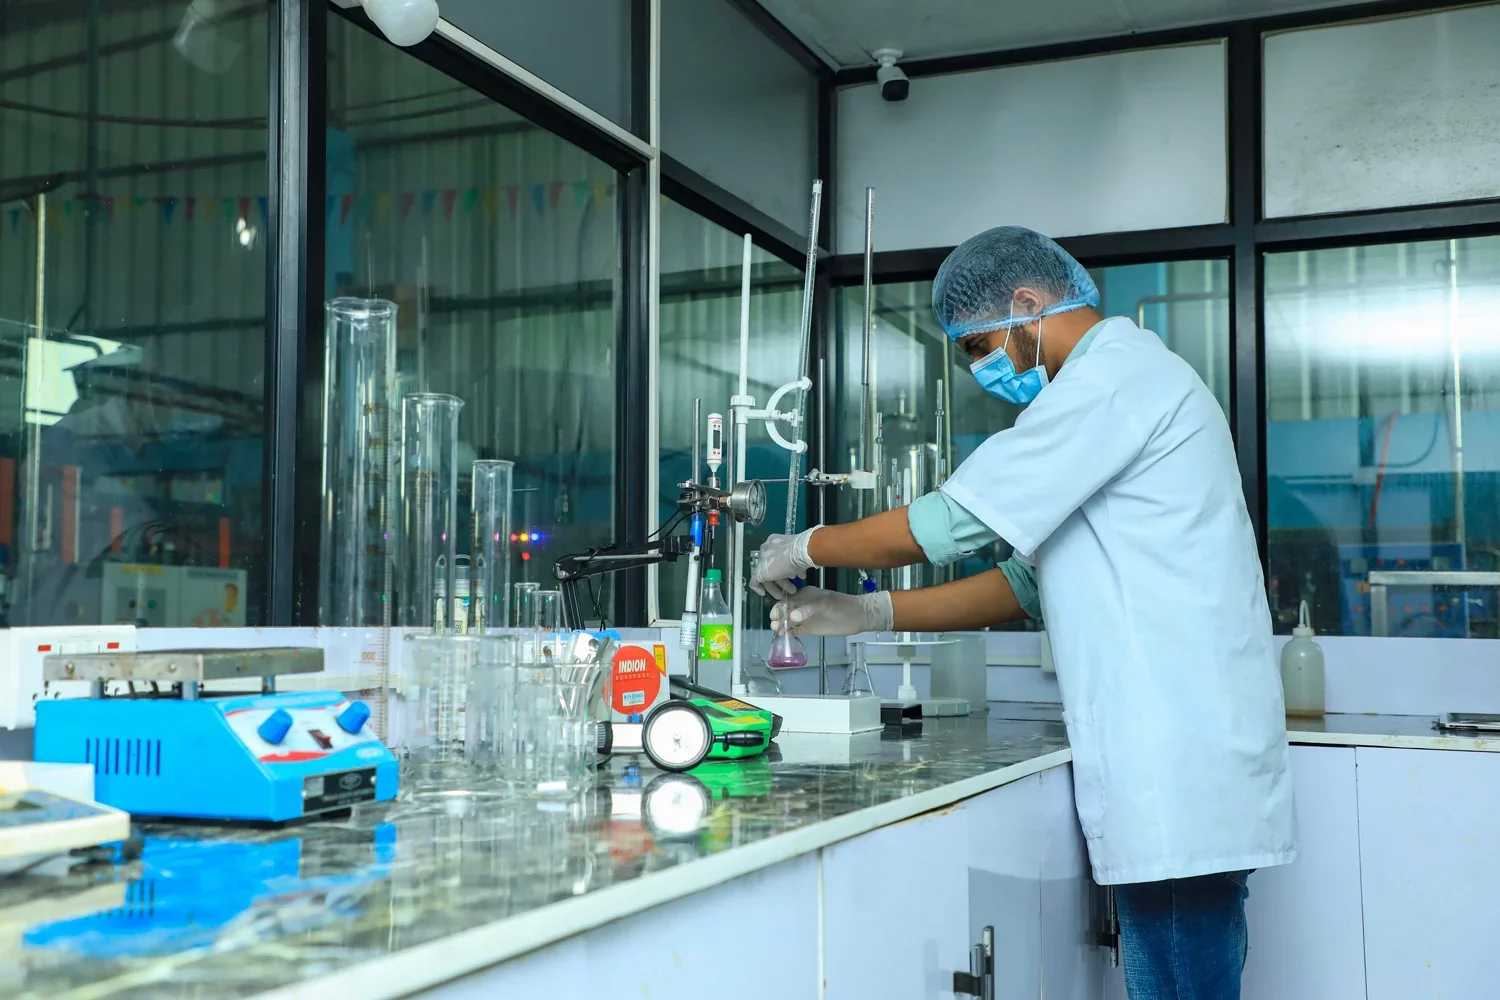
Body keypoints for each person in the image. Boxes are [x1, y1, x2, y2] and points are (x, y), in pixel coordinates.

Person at [752, 226, 1295, 1000]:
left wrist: (806, 546)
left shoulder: (1111, 383)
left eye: (978, 346)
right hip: (1176, 746)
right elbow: (1027, 584)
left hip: (1176, 753)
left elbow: (952, 524)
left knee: (1180, 972)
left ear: (1029, 304)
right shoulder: (1121, 387)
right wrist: (868, 611)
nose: (981, 369)